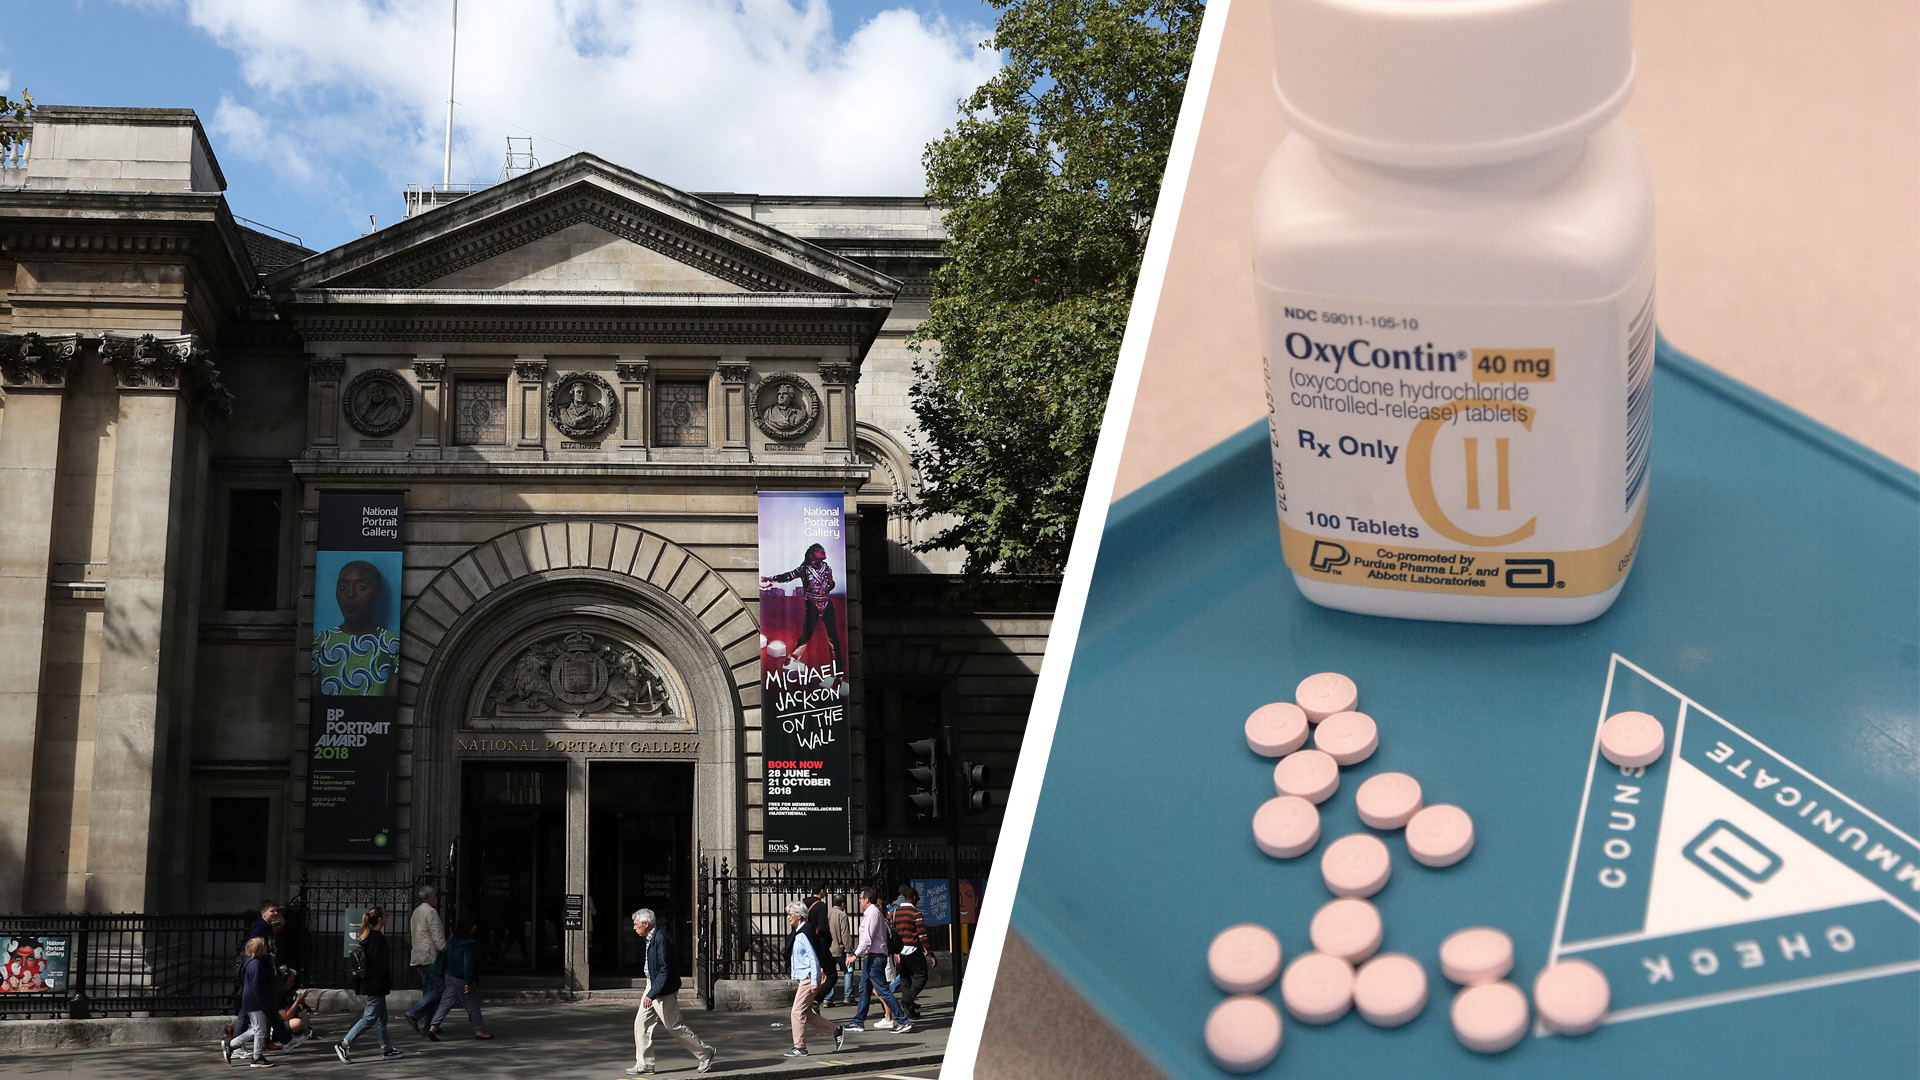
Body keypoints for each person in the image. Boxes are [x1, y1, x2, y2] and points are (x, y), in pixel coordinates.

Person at [627, 908, 714, 1076]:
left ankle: (706, 1053)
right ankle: (644, 1064)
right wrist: (649, 988)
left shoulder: (660, 939)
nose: (634, 928)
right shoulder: (651, 938)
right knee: (641, 1024)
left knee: (674, 1026)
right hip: (653, 986)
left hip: (663, 990)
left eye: (636, 925)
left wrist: (652, 993)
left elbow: (664, 970)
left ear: (646, 924)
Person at [312, 560, 399, 696]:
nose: (350, 594)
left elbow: (391, 704)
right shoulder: (320, 642)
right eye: (342, 587)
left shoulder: (392, 644)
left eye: (361, 587)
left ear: (377, 593)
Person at [335, 906, 402, 1064]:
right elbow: (380, 964)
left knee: (381, 1017)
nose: (387, 917)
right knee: (370, 1017)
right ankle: (344, 1044)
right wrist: (386, 982)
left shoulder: (368, 937)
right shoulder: (377, 938)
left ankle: (387, 1048)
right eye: (385, 915)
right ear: (380, 919)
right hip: (376, 984)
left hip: (372, 983)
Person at [760, 543, 841, 668]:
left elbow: (830, 587)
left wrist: (831, 581)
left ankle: (838, 671)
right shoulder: (804, 569)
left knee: (832, 638)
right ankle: (794, 656)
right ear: (811, 554)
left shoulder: (827, 568)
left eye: (823, 549)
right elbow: (787, 576)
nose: (823, 551)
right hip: (812, 604)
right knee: (806, 635)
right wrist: (771, 579)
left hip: (826, 604)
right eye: (819, 550)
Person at [781, 901, 845, 1057]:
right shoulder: (798, 933)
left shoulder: (804, 934)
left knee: (796, 1012)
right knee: (807, 1013)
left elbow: (813, 959)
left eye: (791, 915)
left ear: (799, 916)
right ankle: (836, 1031)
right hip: (803, 978)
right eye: (788, 914)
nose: (789, 917)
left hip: (808, 979)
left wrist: (815, 982)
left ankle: (800, 1047)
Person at [846, 887, 911, 1035]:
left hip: (875, 957)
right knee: (864, 990)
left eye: (861, 898)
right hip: (872, 957)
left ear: (867, 899)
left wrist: (855, 955)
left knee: (883, 990)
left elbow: (867, 939)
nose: (859, 901)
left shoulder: (872, 914)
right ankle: (858, 1022)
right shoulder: (871, 913)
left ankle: (902, 1020)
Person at [428, 917, 490, 1040]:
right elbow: (468, 965)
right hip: (462, 978)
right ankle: (479, 1030)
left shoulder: (453, 939)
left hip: (450, 976)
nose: (475, 928)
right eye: (473, 926)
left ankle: (432, 1028)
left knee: (445, 1004)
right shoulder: (469, 944)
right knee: (473, 1005)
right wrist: (468, 981)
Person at [222, 937, 279, 1068]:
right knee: (260, 1029)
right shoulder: (255, 964)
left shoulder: (250, 962)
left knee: (258, 1029)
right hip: (254, 1001)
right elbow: (255, 985)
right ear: (260, 949)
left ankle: (233, 1046)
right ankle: (256, 1057)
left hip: (251, 1000)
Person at [404, 884, 448, 1034]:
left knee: (429, 990)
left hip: (419, 955)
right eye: (435, 895)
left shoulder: (416, 912)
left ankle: (429, 1024)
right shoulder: (431, 912)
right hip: (431, 956)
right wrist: (444, 952)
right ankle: (414, 1013)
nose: (437, 897)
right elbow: (438, 937)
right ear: (430, 897)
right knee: (440, 988)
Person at [890, 885, 935, 1021]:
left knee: (905, 978)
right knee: (921, 976)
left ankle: (909, 1009)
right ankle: (906, 999)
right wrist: (930, 953)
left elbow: (892, 929)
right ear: (914, 898)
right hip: (913, 949)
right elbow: (922, 935)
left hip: (899, 950)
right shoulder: (916, 914)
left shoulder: (895, 912)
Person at [803, 886, 836, 1005]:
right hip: (819, 944)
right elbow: (823, 928)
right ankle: (816, 1000)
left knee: (811, 975)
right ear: (821, 890)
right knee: (832, 975)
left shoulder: (803, 904)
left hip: (805, 942)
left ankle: (808, 1002)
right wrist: (827, 942)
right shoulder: (820, 906)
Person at [825, 893, 854, 1006]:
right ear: (843, 904)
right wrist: (849, 950)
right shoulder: (842, 915)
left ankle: (828, 998)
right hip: (840, 948)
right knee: (848, 971)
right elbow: (845, 934)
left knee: (830, 974)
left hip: (829, 948)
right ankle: (848, 996)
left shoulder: (827, 914)